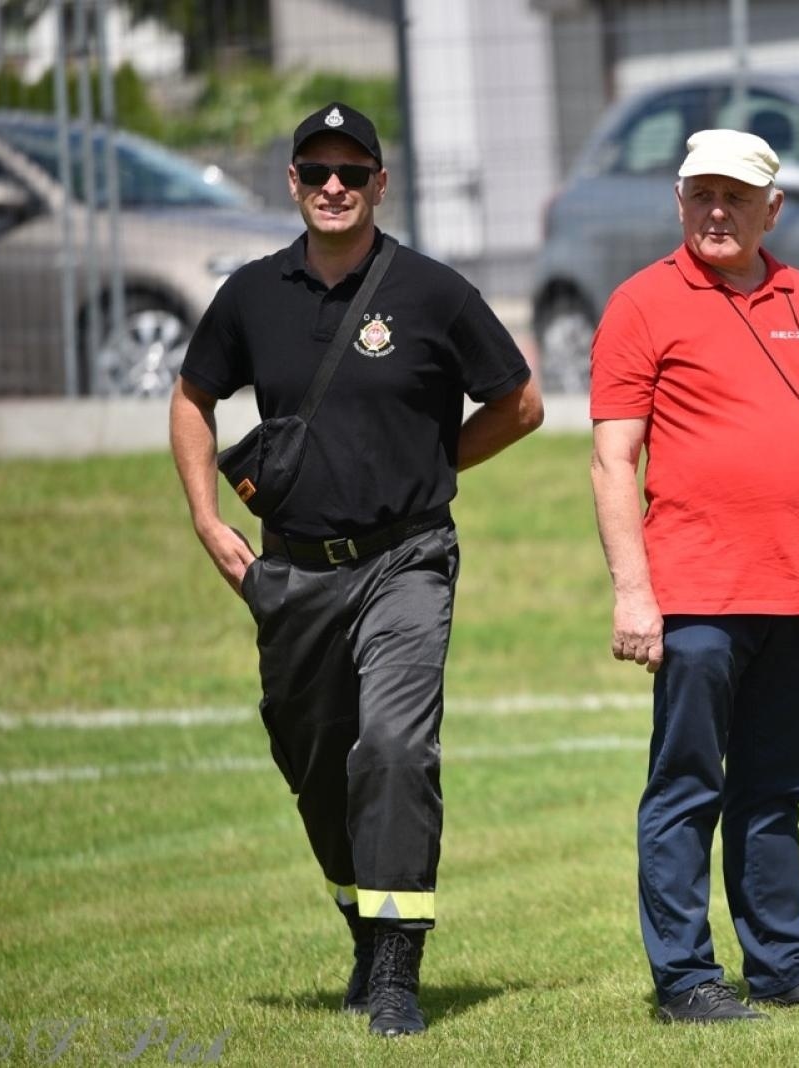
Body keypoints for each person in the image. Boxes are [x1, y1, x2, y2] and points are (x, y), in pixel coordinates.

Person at [168, 102, 542, 1036]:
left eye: (353, 172)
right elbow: (191, 394)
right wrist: (211, 523)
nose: (334, 187)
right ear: (292, 183)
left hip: (407, 559)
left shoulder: (432, 291)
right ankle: (362, 926)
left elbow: (521, 402)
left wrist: (433, 463)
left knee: (394, 748)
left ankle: (396, 977)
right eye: (316, 171)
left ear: (382, 183)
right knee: (315, 767)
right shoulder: (252, 293)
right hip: (293, 575)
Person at [589, 129, 799, 1023]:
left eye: (737, 197)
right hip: (697, 594)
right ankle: (684, 980)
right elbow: (613, 462)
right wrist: (635, 592)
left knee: (775, 788)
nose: (718, 212)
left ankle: (783, 964)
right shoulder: (641, 304)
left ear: (773, 209)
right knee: (687, 785)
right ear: (680, 203)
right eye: (702, 196)